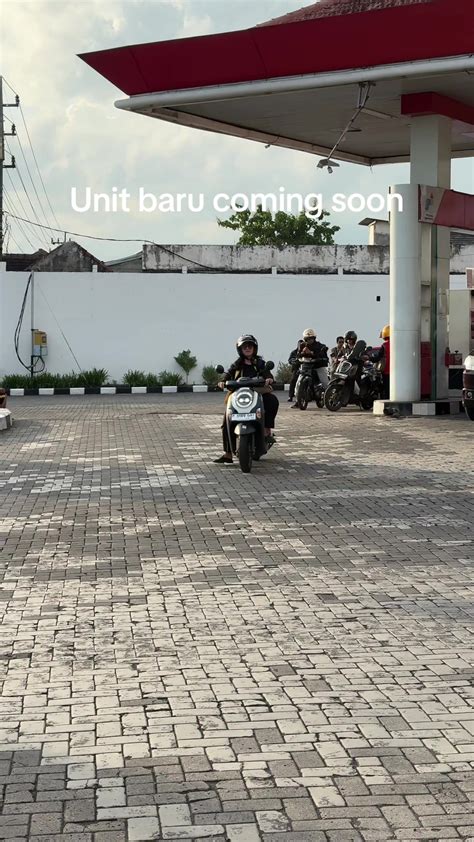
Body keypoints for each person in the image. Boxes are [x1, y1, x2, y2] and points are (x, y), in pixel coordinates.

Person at [214, 334, 279, 464]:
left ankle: (266, 429)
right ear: (240, 349)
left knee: (272, 400)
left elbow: (267, 373)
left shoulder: (259, 363)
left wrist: (269, 378)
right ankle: (228, 453)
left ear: (254, 348)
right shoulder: (237, 364)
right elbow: (228, 374)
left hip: (256, 393)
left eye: (250, 346)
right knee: (227, 419)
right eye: (245, 347)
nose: (247, 348)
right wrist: (222, 381)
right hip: (239, 395)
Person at [371, 324, 390, 399]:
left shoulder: (384, 345)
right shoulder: (398, 344)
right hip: (398, 372)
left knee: (386, 389)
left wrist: (369, 358)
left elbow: (378, 358)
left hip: (386, 371)